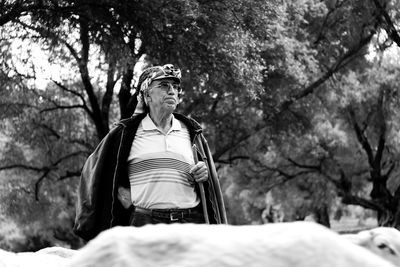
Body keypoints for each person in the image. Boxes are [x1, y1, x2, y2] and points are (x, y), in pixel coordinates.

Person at [73, 64, 228, 241]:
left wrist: (204, 172)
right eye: (163, 86)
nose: (172, 91)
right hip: (144, 224)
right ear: (146, 94)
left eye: (175, 87)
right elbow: (93, 172)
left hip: (190, 225)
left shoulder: (193, 133)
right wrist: (122, 198)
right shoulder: (125, 133)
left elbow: (210, 187)